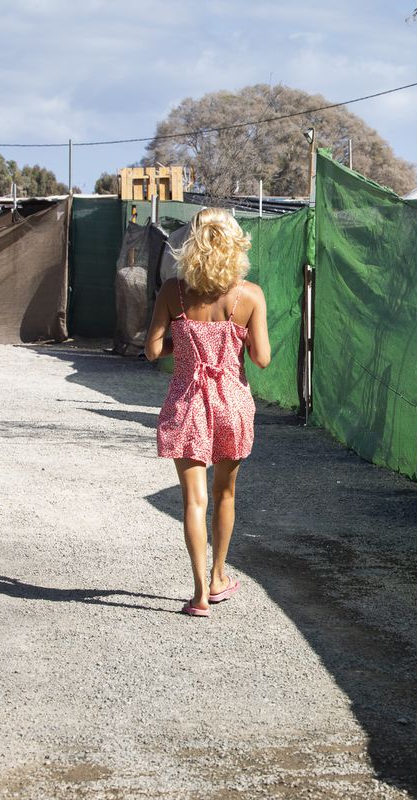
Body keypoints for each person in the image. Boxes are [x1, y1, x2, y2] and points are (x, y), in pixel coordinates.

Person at [145, 208, 271, 617]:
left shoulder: (172, 292)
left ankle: (199, 594)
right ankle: (220, 577)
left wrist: (185, 345)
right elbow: (262, 358)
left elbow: (152, 351)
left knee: (193, 500)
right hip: (231, 404)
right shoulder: (248, 295)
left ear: (190, 244)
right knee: (225, 493)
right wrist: (237, 339)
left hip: (187, 403)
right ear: (235, 244)